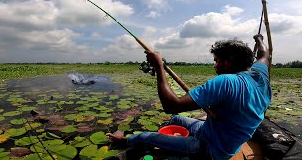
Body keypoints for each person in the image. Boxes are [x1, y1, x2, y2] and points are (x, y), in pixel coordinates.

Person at [107, 34, 271, 160]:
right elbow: (264, 52)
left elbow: (171, 106)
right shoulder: (261, 73)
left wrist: (159, 67)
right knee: (176, 119)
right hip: (216, 135)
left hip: (211, 148)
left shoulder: (227, 82)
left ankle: (123, 141)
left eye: (217, 61)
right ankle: (170, 143)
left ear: (229, 61)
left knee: (145, 136)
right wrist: (259, 39)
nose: (215, 66)